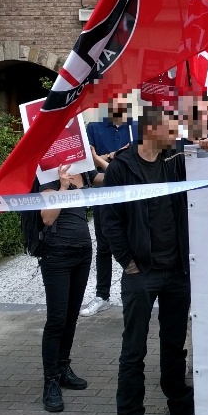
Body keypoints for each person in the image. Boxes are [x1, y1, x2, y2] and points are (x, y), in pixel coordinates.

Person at [100, 105, 208, 415]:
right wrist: (129, 263)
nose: (177, 131)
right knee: (133, 351)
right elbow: (110, 219)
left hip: (176, 273)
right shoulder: (123, 168)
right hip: (142, 274)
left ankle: (180, 411)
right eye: (172, 126)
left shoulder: (176, 161)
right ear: (151, 129)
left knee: (174, 346)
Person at [38, 163, 103, 412]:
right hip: (56, 254)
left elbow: (110, 180)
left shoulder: (84, 171)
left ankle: (63, 368)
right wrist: (63, 186)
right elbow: (47, 217)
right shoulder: (46, 177)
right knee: (56, 319)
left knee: (71, 317)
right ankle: (50, 381)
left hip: (82, 252)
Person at [82, 94, 139, 317]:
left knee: (135, 242)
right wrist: (113, 155)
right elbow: (88, 167)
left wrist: (104, 159)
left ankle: (136, 292)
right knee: (104, 245)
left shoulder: (136, 127)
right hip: (103, 195)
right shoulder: (94, 127)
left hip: (131, 195)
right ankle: (102, 295)